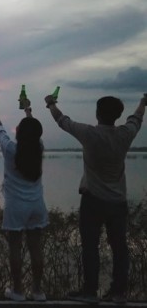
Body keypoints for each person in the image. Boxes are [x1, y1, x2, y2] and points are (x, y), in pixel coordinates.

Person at [45, 93, 145, 304]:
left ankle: (90, 292)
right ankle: (118, 292)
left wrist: (51, 104)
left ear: (98, 113)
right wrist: (143, 103)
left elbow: (62, 121)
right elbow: (136, 119)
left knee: (90, 246)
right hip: (118, 202)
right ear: (117, 115)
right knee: (119, 247)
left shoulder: (89, 133)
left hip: (93, 201)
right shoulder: (124, 134)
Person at [0, 99, 47, 302]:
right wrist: (28, 111)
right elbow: (34, 131)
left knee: (15, 248)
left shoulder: (11, 149)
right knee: (36, 248)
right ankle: (38, 291)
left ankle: (18, 290)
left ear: (20, 132)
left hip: (16, 207)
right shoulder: (38, 147)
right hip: (37, 205)